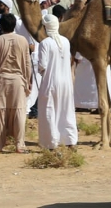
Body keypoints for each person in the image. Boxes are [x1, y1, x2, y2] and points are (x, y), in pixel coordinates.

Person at [0, 13, 32, 153]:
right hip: (19, 80)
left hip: (1, 80)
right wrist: (28, 81)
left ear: (1, 26)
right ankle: (19, 144)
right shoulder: (23, 40)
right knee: (19, 111)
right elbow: (27, 64)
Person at [36, 14, 78, 149]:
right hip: (66, 83)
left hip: (51, 83)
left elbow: (42, 65)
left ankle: (51, 144)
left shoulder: (45, 43)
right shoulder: (66, 41)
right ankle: (70, 141)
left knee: (49, 112)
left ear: (45, 27)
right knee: (66, 111)